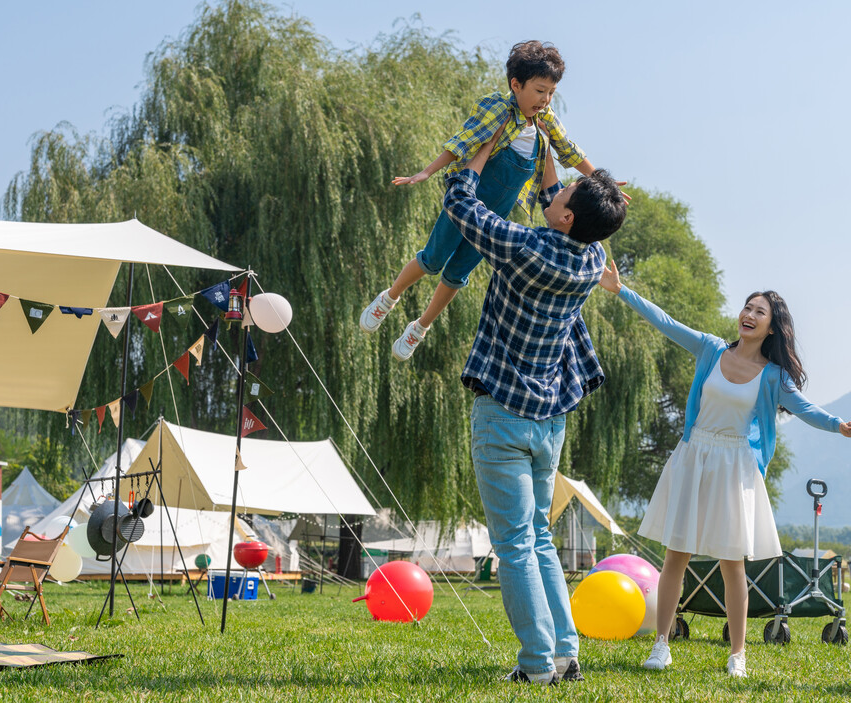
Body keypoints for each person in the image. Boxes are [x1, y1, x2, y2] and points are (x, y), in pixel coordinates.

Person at [598, 261, 851, 677]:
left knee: (733, 563)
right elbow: (666, 322)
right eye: (747, 308)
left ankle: (738, 654)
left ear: (772, 328)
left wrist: (838, 425)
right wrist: (621, 290)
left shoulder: (773, 376)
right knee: (676, 554)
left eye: (759, 312)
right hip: (694, 454)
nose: (748, 315)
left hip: (735, 464)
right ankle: (661, 645)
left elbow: (805, 409)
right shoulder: (712, 349)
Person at [444, 122, 627, 684]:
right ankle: (566, 653)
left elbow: (461, 203)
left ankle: (535, 666)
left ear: (570, 217)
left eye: (567, 194)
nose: (557, 192)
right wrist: (545, 146)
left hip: (502, 416)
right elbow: (557, 203)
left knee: (514, 544)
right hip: (551, 421)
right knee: (539, 537)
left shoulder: (523, 248)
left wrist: (478, 150)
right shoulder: (592, 262)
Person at [360, 40, 600, 361]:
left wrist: (600, 179)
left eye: (551, 93)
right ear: (516, 85)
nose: (545, 100)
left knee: (457, 274)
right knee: (432, 259)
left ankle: (420, 327)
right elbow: (464, 140)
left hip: (493, 217)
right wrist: (427, 171)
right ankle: (389, 297)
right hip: (465, 200)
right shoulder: (498, 108)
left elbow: (569, 150)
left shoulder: (545, 122)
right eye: (540, 91)